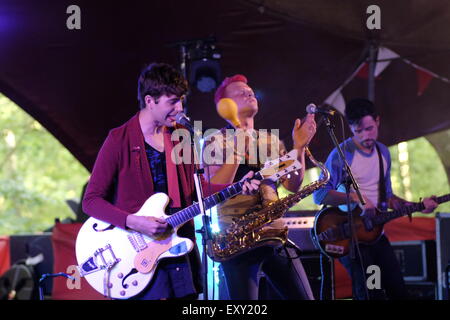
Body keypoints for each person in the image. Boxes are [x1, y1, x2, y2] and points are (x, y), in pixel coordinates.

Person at [82, 63, 261, 300]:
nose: (179, 109)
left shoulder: (181, 136)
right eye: (172, 102)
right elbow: (91, 201)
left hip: (176, 249)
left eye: (181, 101)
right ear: (149, 100)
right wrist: (133, 222)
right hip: (135, 255)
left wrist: (235, 187)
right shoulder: (119, 139)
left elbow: (196, 189)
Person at [201, 74, 317, 300]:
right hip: (238, 240)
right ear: (225, 106)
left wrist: (299, 148)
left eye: (250, 91)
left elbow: (292, 185)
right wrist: (238, 145)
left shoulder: (271, 142)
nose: (249, 94)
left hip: (274, 234)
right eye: (240, 92)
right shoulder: (215, 141)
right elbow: (215, 188)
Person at [312, 98, 438, 300]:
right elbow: (319, 195)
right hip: (350, 234)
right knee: (372, 291)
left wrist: (417, 206)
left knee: (397, 288)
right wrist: (354, 198)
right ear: (351, 129)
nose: (365, 135)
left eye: (369, 128)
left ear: (378, 121)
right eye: (358, 131)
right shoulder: (341, 154)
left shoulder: (383, 153)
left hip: (376, 232)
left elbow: (387, 198)